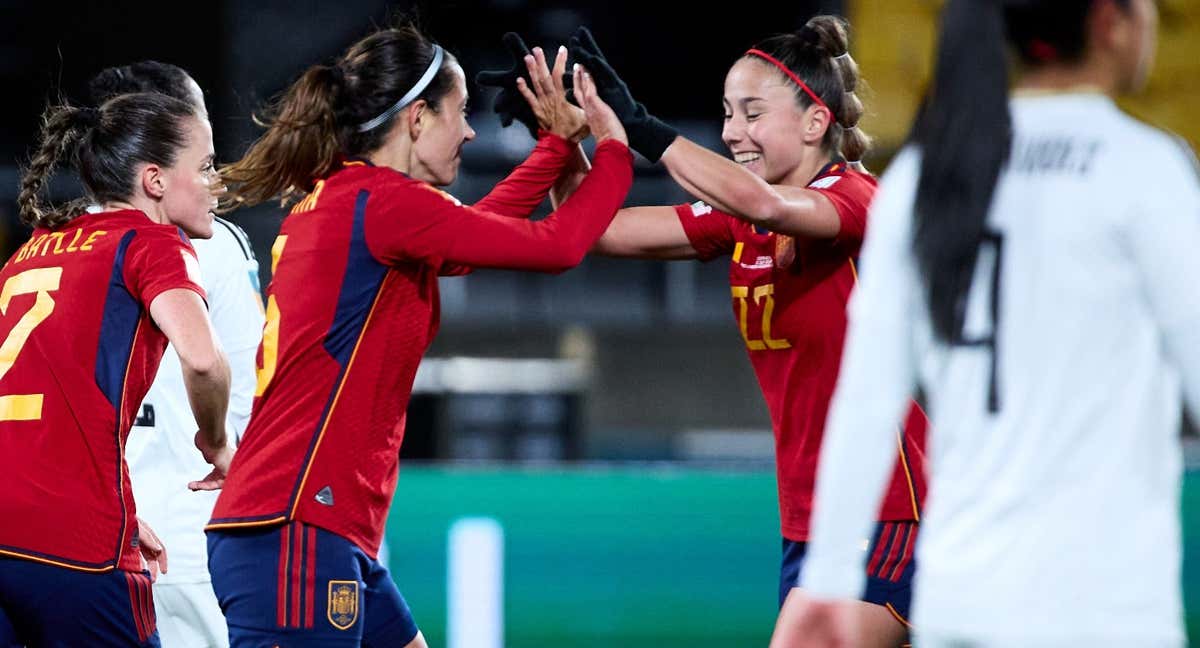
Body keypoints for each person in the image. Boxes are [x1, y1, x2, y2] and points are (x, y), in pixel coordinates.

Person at [482, 18, 928, 647]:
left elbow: (768, 206)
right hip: (810, 517)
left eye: (752, 113)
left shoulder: (854, 197)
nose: (730, 132)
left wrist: (641, 127)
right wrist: (559, 135)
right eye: (725, 113)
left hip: (887, 506)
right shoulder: (740, 218)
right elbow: (600, 231)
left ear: (814, 122)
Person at [204, 21, 632, 647]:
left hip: (312, 525)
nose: (470, 131)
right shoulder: (384, 205)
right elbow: (561, 244)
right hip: (296, 525)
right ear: (416, 119)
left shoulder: (355, 200)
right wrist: (615, 146)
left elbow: (470, 237)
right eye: (458, 114)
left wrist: (557, 149)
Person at [793, 1, 1198, 647]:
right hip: (1102, 607)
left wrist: (830, 576)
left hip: (961, 601)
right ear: (1108, 22)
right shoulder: (1142, 168)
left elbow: (868, 399)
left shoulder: (925, 178)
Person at [0, 91, 232, 646]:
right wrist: (217, 441)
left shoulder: (32, 251)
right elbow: (202, 361)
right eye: (203, 166)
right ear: (154, 180)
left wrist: (122, 517)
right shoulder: (152, 244)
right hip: (75, 539)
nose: (216, 183)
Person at [88, 60, 265, 648]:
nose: (211, 176)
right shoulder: (206, 243)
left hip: (90, 535)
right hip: (191, 537)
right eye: (202, 152)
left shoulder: (64, 242)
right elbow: (244, 380)